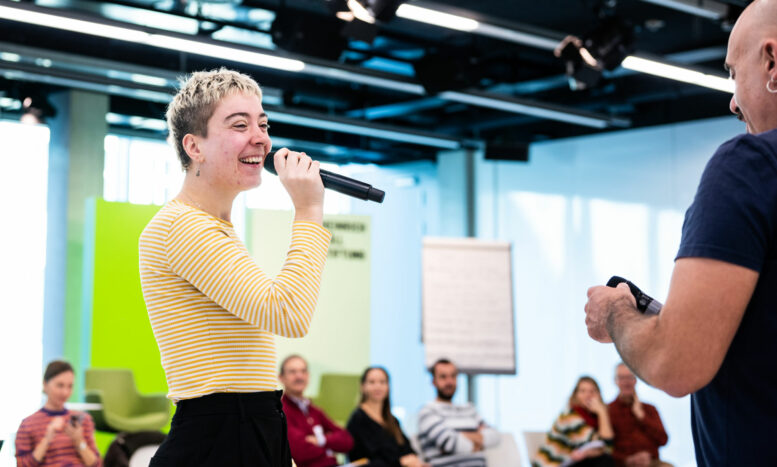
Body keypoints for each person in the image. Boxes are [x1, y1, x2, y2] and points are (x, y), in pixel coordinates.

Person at [583, 1, 777, 464]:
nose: (732, 101)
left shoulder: (749, 167)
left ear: (772, 61)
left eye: (733, 73)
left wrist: (616, 313)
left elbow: (676, 365)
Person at [139, 68, 330, 467]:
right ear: (194, 146)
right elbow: (287, 313)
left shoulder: (213, 226)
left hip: (250, 425)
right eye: (240, 125)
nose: (260, 137)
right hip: (220, 437)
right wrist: (309, 210)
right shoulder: (183, 226)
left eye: (263, 123)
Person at [15, 360, 100, 466]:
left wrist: (79, 441)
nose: (65, 392)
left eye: (70, 386)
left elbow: (97, 464)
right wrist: (47, 439)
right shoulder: (28, 425)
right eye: (60, 385)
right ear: (45, 384)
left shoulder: (83, 421)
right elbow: (22, 465)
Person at [416, 359, 499, 467]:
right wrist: (479, 443)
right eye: (443, 377)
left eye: (453, 376)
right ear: (433, 381)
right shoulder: (427, 411)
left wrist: (459, 436)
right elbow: (450, 443)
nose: (449, 382)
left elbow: (495, 436)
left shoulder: (469, 409)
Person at [279, 355, 354, 467]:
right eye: (292, 372)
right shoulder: (281, 411)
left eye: (303, 371)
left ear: (308, 375)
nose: (299, 376)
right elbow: (299, 452)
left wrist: (321, 440)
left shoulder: (314, 410)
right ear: (281, 378)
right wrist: (328, 451)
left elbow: (347, 440)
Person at [346, 367, 427, 467]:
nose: (378, 386)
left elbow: (407, 449)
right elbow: (367, 460)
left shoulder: (392, 420)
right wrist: (400, 462)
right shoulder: (358, 419)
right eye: (372, 382)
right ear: (363, 386)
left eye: (382, 382)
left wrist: (414, 461)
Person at [532, 376, 614, 467]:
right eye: (583, 391)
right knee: (604, 460)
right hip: (554, 463)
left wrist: (602, 413)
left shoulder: (594, 417)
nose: (588, 395)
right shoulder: (570, 416)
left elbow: (607, 448)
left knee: (604, 459)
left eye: (593, 391)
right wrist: (602, 413)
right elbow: (596, 445)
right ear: (575, 395)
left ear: (599, 394)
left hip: (575, 461)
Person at [607, 364, 670, 467]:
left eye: (630, 377)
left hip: (652, 463)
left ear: (635, 380)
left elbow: (663, 440)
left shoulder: (649, 409)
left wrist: (642, 417)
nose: (626, 382)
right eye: (622, 378)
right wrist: (627, 460)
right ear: (615, 381)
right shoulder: (608, 411)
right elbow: (604, 447)